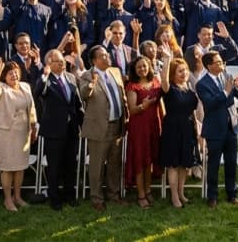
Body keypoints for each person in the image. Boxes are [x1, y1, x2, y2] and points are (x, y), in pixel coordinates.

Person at [79, 46, 128, 211]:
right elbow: (84, 94)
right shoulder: (87, 75)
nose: (107, 57)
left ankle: (113, 194)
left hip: (117, 126)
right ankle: (97, 198)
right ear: (94, 61)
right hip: (99, 127)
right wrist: (91, 84)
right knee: (97, 165)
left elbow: (122, 95)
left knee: (115, 163)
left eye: (107, 54)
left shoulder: (115, 72)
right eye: (102, 56)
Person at [34, 49, 84, 211]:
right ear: (49, 63)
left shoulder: (70, 78)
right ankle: (54, 198)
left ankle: (70, 195)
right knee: (54, 166)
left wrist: (81, 123)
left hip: (71, 130)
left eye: (63, 61)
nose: (62, 63)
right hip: (54, 131)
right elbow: (38, 92)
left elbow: (76, 103)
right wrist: (45, 74)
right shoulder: (46, 80)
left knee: (70, 164)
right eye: (58, 61)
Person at [197, 51, 238, 208]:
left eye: (221, 62)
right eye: (218, 62)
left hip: (230, 127)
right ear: (209, 66)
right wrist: (225, 92)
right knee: (213, 164)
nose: (222, 65)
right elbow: (210, 104)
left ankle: (232, 194)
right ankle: (212, 196)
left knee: (231, 162)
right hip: (214, 129)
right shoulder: (202, 84)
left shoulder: (226, 77)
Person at [0, 62, 37, 212]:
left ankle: (18, 196)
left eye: (16, 72)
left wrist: (33, 125)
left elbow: (32, 108)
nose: (14, 75)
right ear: (5, 76)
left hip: (23, 131)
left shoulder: (25, 86)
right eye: (10, 73)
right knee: (8, 167)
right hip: (7, 132)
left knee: (20, 166)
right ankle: (8, 199)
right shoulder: (2, 89)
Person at [158, 57, 202, 209]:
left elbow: (192, 111)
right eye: (180, 71)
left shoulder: (189, 88)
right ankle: (174, 196)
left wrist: (196, 127)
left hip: (188, 128)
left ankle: (181, 192)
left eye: (185, 70)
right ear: (173, 74)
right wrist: (166, 59)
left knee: (185, 163)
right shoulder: (169, 88)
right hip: (173, 129)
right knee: (173, 164)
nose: (184, 73)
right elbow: (163, 78)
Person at [125, 56, 163, 209]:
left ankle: (148, 190)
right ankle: (140, 194)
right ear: (134, 69)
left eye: (144, 66)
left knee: (150, 160)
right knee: (140, 160)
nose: (142, 69)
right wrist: (144, 105)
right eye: (139, 67)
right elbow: (132, 110)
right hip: (139, 127)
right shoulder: (132, 86)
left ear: (149, 66)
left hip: (154, 125)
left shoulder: (155, 83)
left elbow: (161, 104)